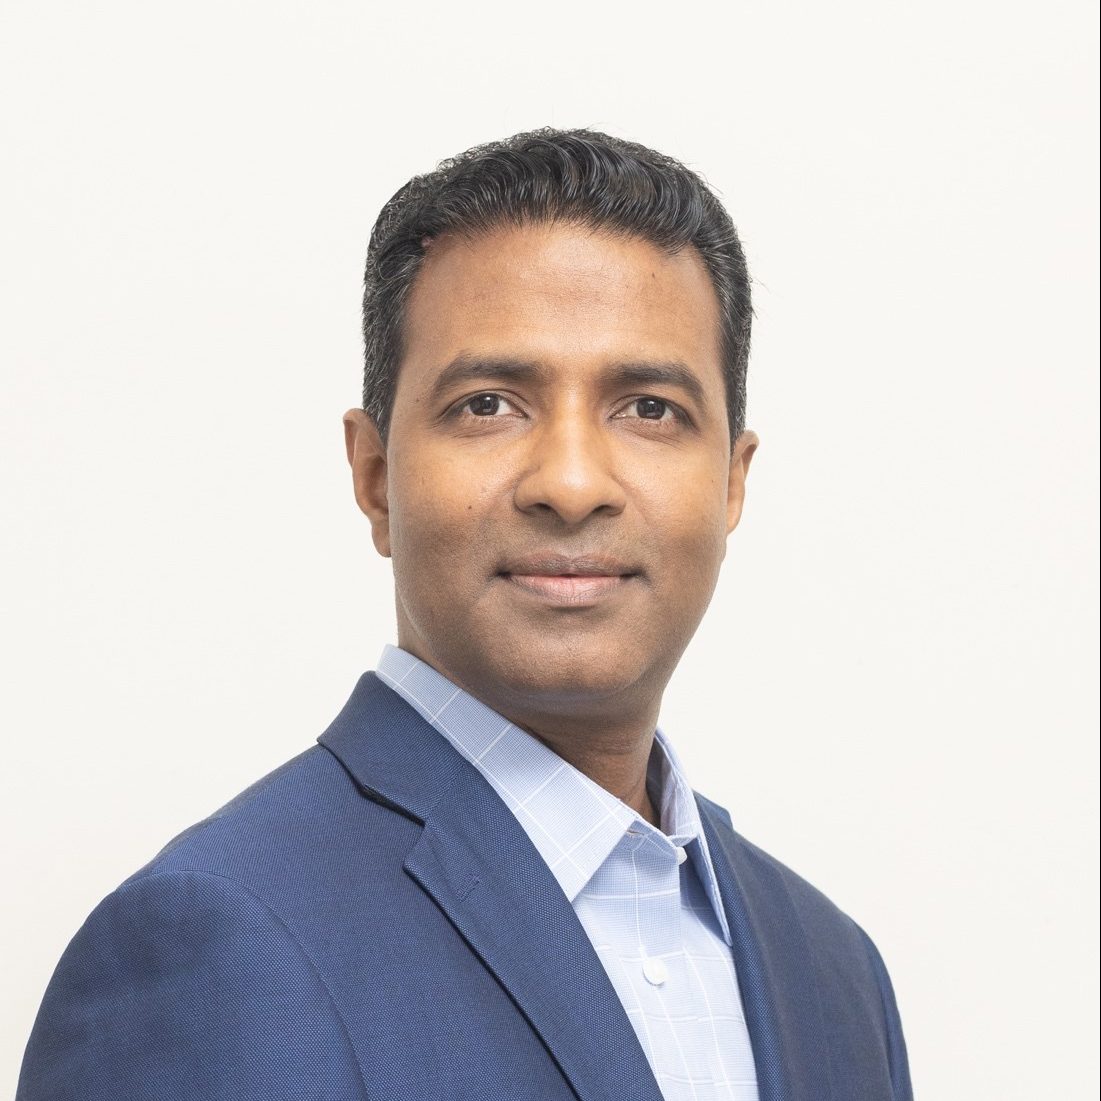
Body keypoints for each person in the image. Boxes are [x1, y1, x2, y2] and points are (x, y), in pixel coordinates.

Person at [17, 129, 912, 1101]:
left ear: (731, 482)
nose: (571, 483)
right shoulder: (216, 947)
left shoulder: (831, 973)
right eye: (489, 404)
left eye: (649, 408)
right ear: (375, 478)